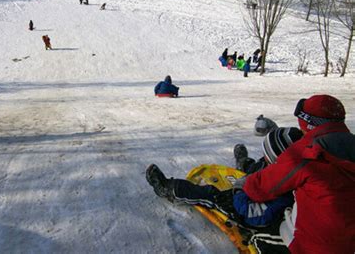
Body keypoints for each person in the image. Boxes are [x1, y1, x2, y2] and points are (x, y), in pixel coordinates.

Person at [242, 95, 355, 253]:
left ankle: (248, 166)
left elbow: (260, 187)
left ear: (308, 122)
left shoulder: (305, 152)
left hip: (319, 246)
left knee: (281, 221)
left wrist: (243, 183)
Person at [146, 127, 303, 229]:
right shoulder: (290, 171)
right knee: (258, 166)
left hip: (243, 207)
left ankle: (169, 189)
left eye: (267, 156)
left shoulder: (285, 196)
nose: (264, 157)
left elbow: (254, 214)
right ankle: (244, 163)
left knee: (209, 194)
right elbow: (268, 165)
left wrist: (237, 193)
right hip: (261, 181)